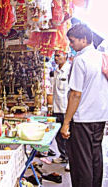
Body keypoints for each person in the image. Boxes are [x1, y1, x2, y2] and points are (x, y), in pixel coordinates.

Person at [61, 24, 108, 187]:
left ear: (84, 40)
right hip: (100, 117)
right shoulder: (102, 57)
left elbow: (75, 94)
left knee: (82, 163)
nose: (71, 45)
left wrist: (66, 122)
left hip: (83, 119)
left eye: (73, 41)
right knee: (96, 157)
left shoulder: (81, 60)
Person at [51, 50, 71, 171]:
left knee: (67, 135)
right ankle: (63, 156)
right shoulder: (56, 71)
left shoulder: (69, 70)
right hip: (56, 108)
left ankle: (70, 159)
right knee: (58, 135)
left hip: (65, 109)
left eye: (58, 55)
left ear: (66, 56)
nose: (56, 58)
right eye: (55, 55)